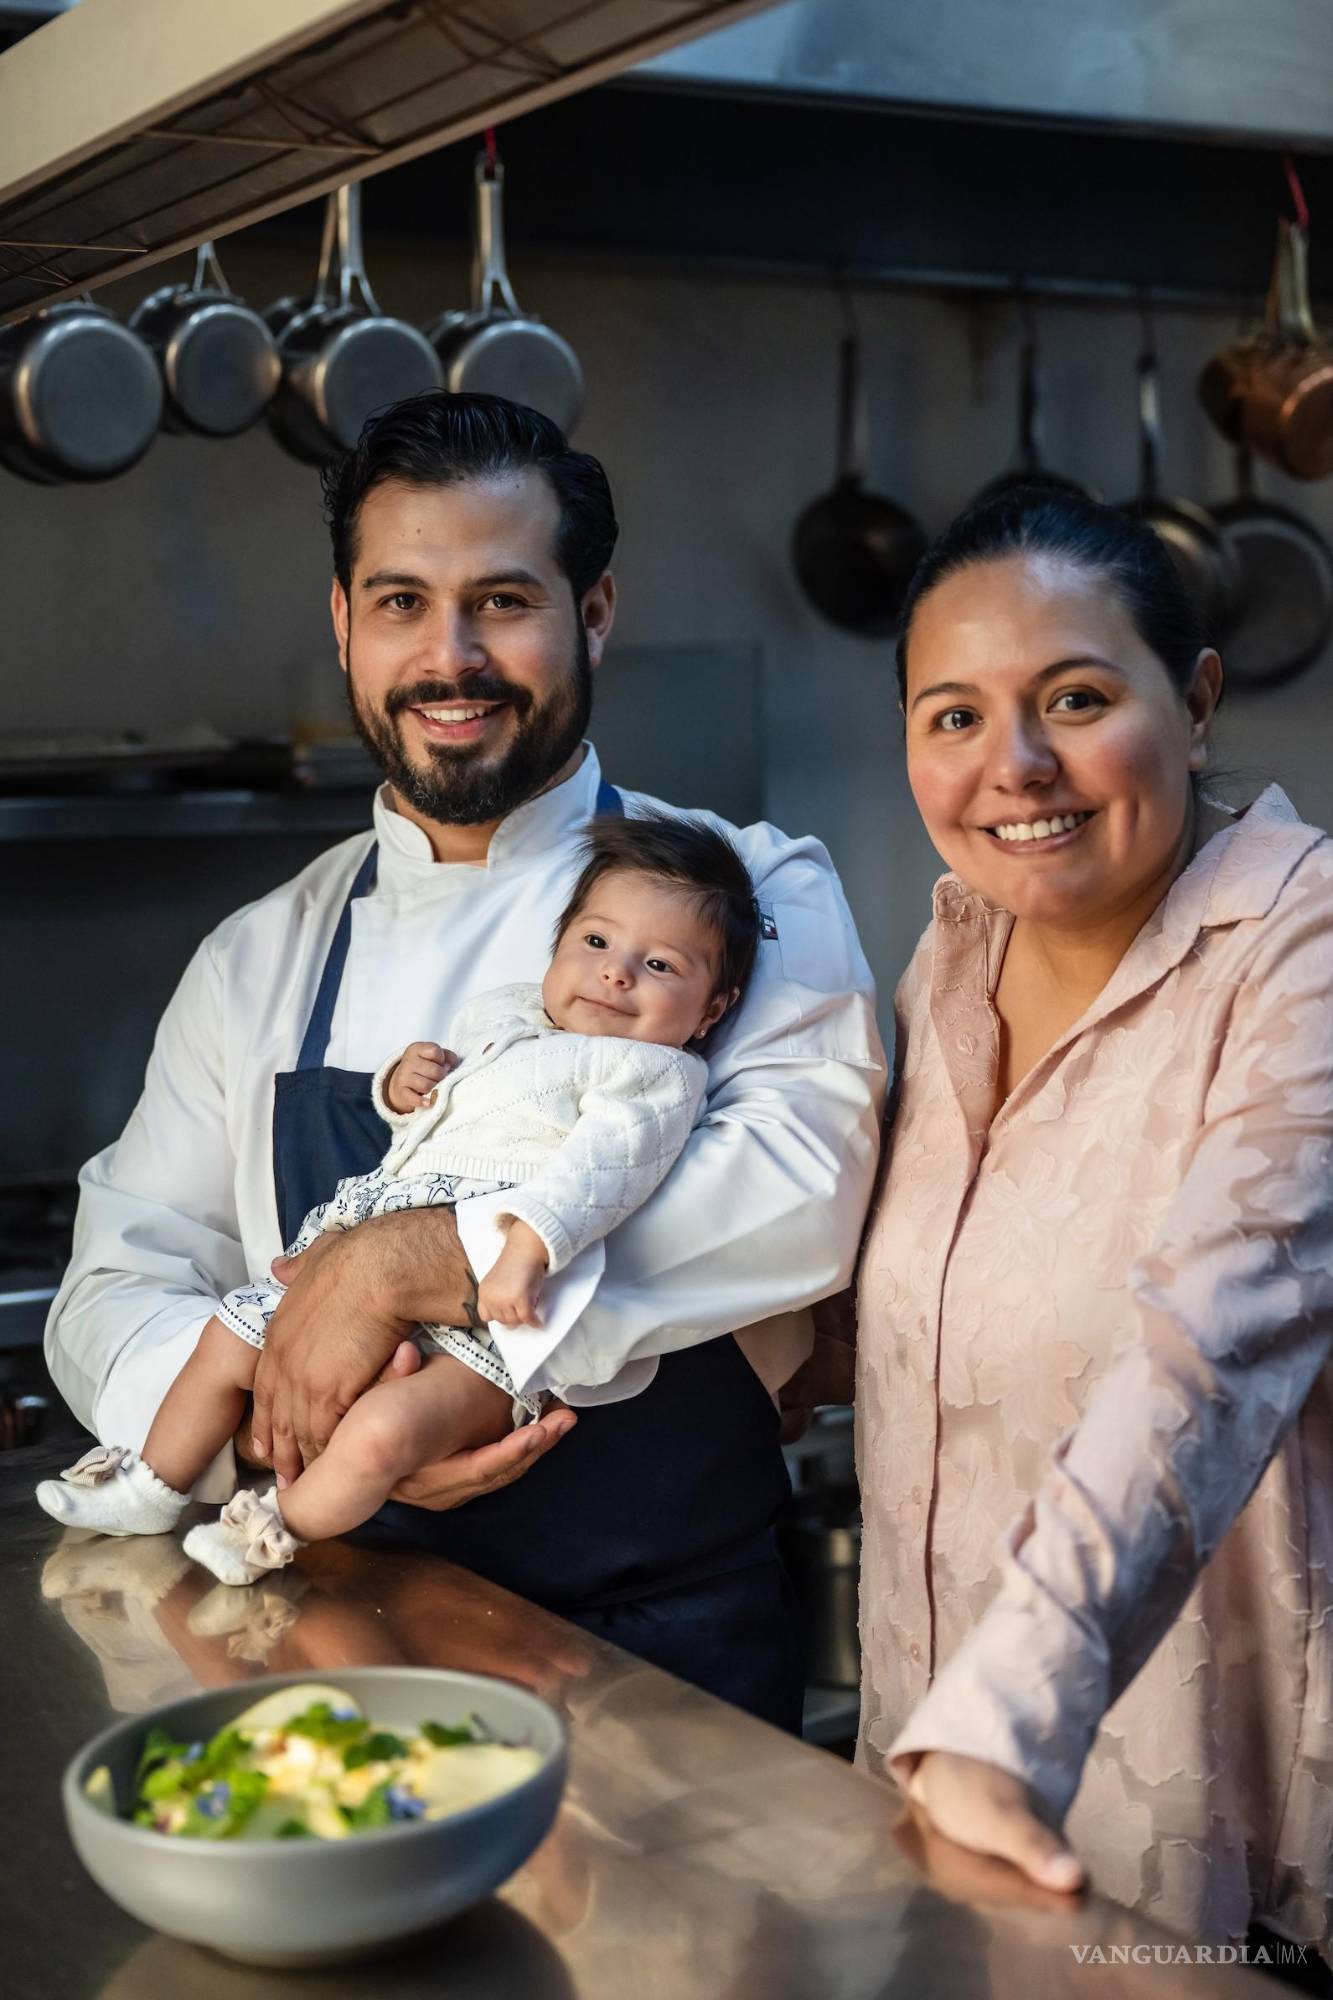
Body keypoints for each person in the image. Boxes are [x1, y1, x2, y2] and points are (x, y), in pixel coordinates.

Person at [44, 391, 885, 1729]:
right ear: (342, 623)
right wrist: (306, 1408)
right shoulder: (261, 956)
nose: (451, 658)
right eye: (400, 604)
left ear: (592, 612)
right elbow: (120, 1273)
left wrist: (400, 1268)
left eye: (501, 600)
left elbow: (799, 1194)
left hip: (667, 1664)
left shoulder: (749, 893)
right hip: (322, 1636)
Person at [855, 484, 1332, 1966]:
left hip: (1222, 1856)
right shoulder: (946, 962)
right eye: (952, 716)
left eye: (1072, 697)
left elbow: (1206, 1345)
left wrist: (1005, 1725)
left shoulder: (1301, 947)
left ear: (1192, 703)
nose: (1014, 767)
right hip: (933, 1795)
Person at [38, 813, 758, 1586]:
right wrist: (395, 1086)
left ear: (712, 1009)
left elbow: (600, 1172)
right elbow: (441, 1116)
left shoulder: (655, 1071)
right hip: (351, 1530)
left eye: (658, 965)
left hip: (517, 1389)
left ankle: (271, 1532)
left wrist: (520, 1251)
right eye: (594, 943)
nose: (616, 974)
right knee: (225, 1338)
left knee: (382, 1430)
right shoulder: (490, 1011)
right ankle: (152, 1487)